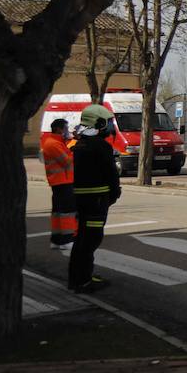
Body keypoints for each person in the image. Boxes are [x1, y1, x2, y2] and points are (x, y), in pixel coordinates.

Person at [68, 105, 121, 293]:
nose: (110, 127)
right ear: (98, 123)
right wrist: (115, 193)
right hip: (97, 200)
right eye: (107, 122)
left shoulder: (77, 144)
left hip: (79, 200)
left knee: (81, 238)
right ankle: (83, 281)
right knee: (91, 239)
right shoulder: (102, 146)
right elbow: (111, 173)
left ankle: (76, 278)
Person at [42, 118, 77, 251]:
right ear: (58, 129)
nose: (67, 131)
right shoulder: (53, 144)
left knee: (58, 212)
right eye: (65, 128)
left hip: (60, 182)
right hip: (63, 182)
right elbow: (67, 161)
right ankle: (67, 240)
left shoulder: (56, 142)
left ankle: (56, 240)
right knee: (67, 212)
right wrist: (76, 149)